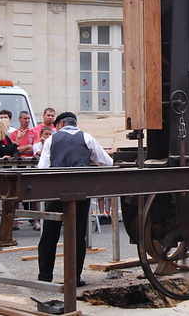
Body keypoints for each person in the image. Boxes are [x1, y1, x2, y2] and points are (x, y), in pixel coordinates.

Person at [37, 112, 113, 287]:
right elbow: (107, 162)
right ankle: (73, 277)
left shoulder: (51, 140)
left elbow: (42, 168)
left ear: (60, 124)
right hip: (80, 192)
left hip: (55, 192)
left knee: (49, 234)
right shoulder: (86, 138)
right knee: (78, 235)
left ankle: (45, 276)